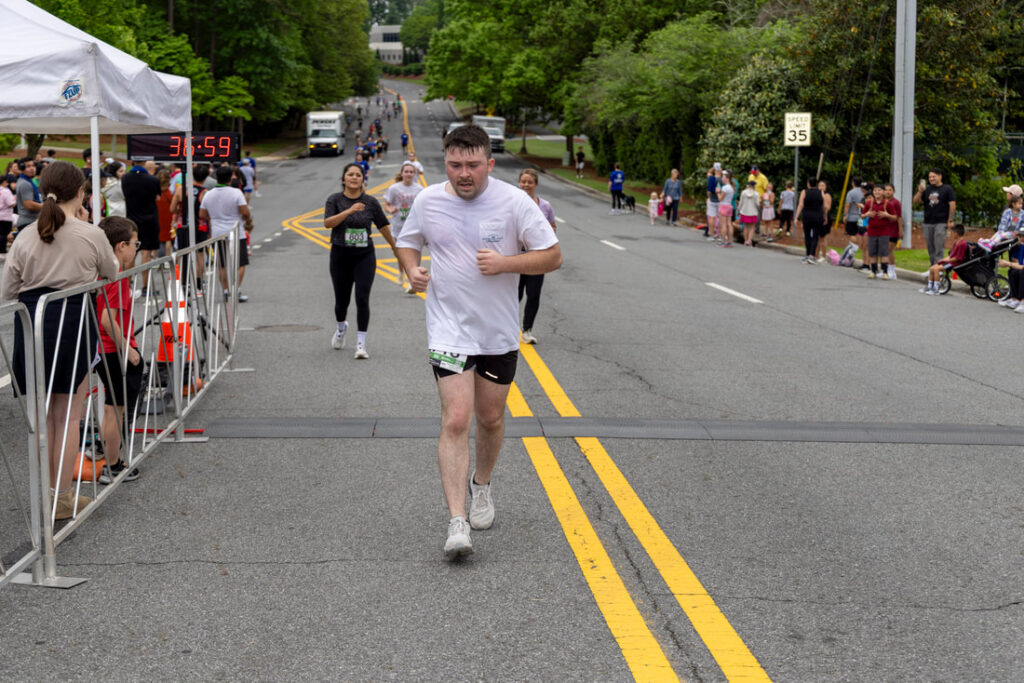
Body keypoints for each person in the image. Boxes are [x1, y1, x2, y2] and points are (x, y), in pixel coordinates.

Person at [395, 125, 561, 559]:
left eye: (472, 165)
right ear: (445, 163)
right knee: (456, 420)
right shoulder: (429, 201)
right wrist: (412, 270)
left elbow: (552, 255)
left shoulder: (514, 201)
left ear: (490, 163)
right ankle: (457, 521)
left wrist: (506, 263)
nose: (463, 173)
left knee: (490, 418)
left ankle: (481, 484)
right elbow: (407, 243)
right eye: (455, 165)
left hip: (497, 333)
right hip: (448, 328)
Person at [1, 161, 119, 520]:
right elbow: (112, 271)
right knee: (67, 417)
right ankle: (61, 497)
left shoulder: (25, 235)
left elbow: (8, 289)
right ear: (80, 192)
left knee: (43, 418)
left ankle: (46, 497)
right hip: (73, 321)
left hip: (33, 324)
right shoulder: (89, 233)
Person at [323, 163, 396, 359]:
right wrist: (349, 211)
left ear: (363, 179)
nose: (354, 177)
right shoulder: (334, 199)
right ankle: (341, 329)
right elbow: (328, 223)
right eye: (350, 174)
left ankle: (361, 344)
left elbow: (383, 225)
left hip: (364, 255)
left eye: (358, 175)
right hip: (340, 255)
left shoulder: (370, 202)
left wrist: (394, 247)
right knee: (342, 301)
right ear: (344, 179)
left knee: (362, 298)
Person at [95, 216, 143, 484]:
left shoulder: (100, 269)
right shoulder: (117, 276)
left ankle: (106, 452)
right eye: (136, 243)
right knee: (115, 409)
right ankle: (112, 465)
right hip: (114, 349)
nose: (137, 249)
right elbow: (107, 318)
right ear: (121, 245)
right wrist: (129, 350)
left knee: (111, 407)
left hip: (102, 348)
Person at [200, 165, 254, 302]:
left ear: (216, 178)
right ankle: (236, 290)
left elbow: (202, 214)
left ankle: (225, 290)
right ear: (230, 178)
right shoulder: (236, 193)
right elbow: (245, 212)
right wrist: (247, 220)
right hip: (236, 232)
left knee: (222, 264)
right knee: (240, 263)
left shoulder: (208, 194)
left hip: (218, 232)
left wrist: (215, 217)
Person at [516, 168, 557, 344]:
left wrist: (544, 240)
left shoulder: (545, 206)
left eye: (530, 182)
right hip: (516, 259)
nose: (526, 185)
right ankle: (507, 328)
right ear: (519, 183)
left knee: (533, 294)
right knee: (513, 296)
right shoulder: (512, 204)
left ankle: (527, 331)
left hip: (537, 259)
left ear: (536, 184)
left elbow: (552, 226)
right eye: (523, 182)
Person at [382, 161, 424, 293]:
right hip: (398, 226)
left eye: (411, 172)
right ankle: (401, 272)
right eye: (406, 171)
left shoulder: (420, 189)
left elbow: (424, 206)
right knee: (400, 254)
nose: (409, 174)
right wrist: (390, 210)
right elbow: (387, 204)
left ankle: (412, 281)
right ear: (402, 173)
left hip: (414, 227)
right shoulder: (394, 188)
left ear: (414, 174)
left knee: (415, 253)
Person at [121, 160, 161, 294]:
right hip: (149, 220)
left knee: (131, 254)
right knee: (146, 254)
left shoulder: (125, 178)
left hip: (132, 219)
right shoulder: (153, 180)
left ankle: (126, 287)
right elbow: (158, 197)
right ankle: (146, 287)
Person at [913, 168, 957, 266]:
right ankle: (932, 267)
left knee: (939, 246)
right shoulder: (927, 189)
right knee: (930, 247)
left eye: (934, 176)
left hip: (941, 222)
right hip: (928, 222)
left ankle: (938, 268)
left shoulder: (947, 189)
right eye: (930, 177)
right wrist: (920, 192)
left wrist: (950, 220)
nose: (931, 179)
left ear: (940, 176)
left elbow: (952, 205)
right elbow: (915, 201)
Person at [920, 224, 967, 294]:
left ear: (956, 233)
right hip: (950, 262)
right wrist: (944, 259)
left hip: (954, 263)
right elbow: (951, 255)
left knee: (936, 269)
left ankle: (936, 289)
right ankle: (930, 287)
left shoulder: (962, 244)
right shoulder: (956, 243)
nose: (952, 234)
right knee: (932, 268)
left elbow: (957, 258)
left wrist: (946, 260)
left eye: (953, 233)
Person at [863, 184, 897, 278]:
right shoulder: (869, 203)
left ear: (883, 192)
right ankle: (873, 271)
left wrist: (887, 215)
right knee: (872, 252)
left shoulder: (888, 204)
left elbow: (895, 217)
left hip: (884, 232)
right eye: (875, 190)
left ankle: (885, 272)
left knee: (884, 252)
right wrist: (867, 214)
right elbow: (862, 216)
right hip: (872, 231)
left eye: (879, 190)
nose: (877, 192)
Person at [794, 177, 826, 264]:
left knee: (807, 236)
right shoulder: (821, 192)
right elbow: (824, 206)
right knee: (815, 236)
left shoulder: (804, 192)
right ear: (816, 184)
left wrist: (796, 216)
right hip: (818, 216)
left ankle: (807, 254)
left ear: (808, 184)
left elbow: (801, 205)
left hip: (807, 216)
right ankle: (812, 255)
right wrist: (825, 216)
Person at [998, 225, 1024, 310]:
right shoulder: (1019, 246)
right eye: (1020, 236)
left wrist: (1007, 263)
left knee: (1022, 272)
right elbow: (1017, 262)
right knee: (1012, 272)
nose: (1022, 238)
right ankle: (1015, 299)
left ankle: (1022, 301)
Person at [844, 177, 866, 269]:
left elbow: (847, 205)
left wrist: (845, 215)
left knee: (852, 234)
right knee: (860, 234)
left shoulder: (851, 192)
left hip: (852, 217)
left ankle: (854, 249)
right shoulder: (864, 192)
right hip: (861, 217)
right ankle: (861, 248)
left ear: (853, 183)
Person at [14, 158, 41, 233]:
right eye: (28, 166)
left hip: (29, 223)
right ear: (22, 169)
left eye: (33, 166)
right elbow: (29, 205)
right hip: (28, 223)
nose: (32, 168)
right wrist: (47, 206)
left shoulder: (26, 181)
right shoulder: (25, 184)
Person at [883, 183, 902, 279]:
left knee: (889, 250)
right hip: (883, 230)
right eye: (886, 190)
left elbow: (899, 217)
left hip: (893, 230)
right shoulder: (882, 202)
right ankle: (885, 270)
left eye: (890, 190)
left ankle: (892, 271)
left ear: (894, 191)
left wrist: (900, 230)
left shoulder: (896, 202)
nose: (887, 192)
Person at [155, 168, 176, 257]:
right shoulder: (171, 193)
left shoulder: (155, 194)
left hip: (158, 218)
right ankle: (170, 258)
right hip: (170, 218)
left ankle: (159, 259)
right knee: (170, 238)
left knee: (160, 239)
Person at [815, 180, 833, 262]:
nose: (821, 187)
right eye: (819, 185)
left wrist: (823, 196)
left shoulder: (827, 196)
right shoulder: (816, 195)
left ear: (825, 187)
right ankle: (816, 255)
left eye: (823, 186)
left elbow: (828, 207)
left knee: (823, 237)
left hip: (825, 217)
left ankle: (823, 255)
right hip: (817, 217)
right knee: (817, 237)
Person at [738, 180, 760, 246]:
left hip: (744, 211)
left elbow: (741, 202)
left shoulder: (743, 192)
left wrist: (739, 209)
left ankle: (745, 240)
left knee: (746, 226)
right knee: (752, 227)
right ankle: (749, 240)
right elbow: (757, 203)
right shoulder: (756, 194)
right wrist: (759, 208)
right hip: (753, 212)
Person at [716, 170, 735, 247]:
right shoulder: (732, 187)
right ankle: (730, 242)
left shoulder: (725, 188)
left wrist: (718, 192)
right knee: (729, 224)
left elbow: (720, 198)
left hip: (723, 206)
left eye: (723, 177)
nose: (722, 178)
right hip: (729, 206)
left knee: (723, 225)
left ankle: (723, 241)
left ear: (727, 178)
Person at [0, 173, 15, 257]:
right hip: (5, 217)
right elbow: (10, 203)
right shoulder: (6, 191)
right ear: (4, 182)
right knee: (4, 236)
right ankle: (2, 252)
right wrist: (15, 200)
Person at [704, 167, 719, 240]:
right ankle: (719, 234)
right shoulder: (722, 178)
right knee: (719, 218)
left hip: (712, 198)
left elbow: (708, 191)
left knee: (711, 217)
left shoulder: (711, 178)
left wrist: (709, 197)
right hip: (720, 200)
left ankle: (711, 234)